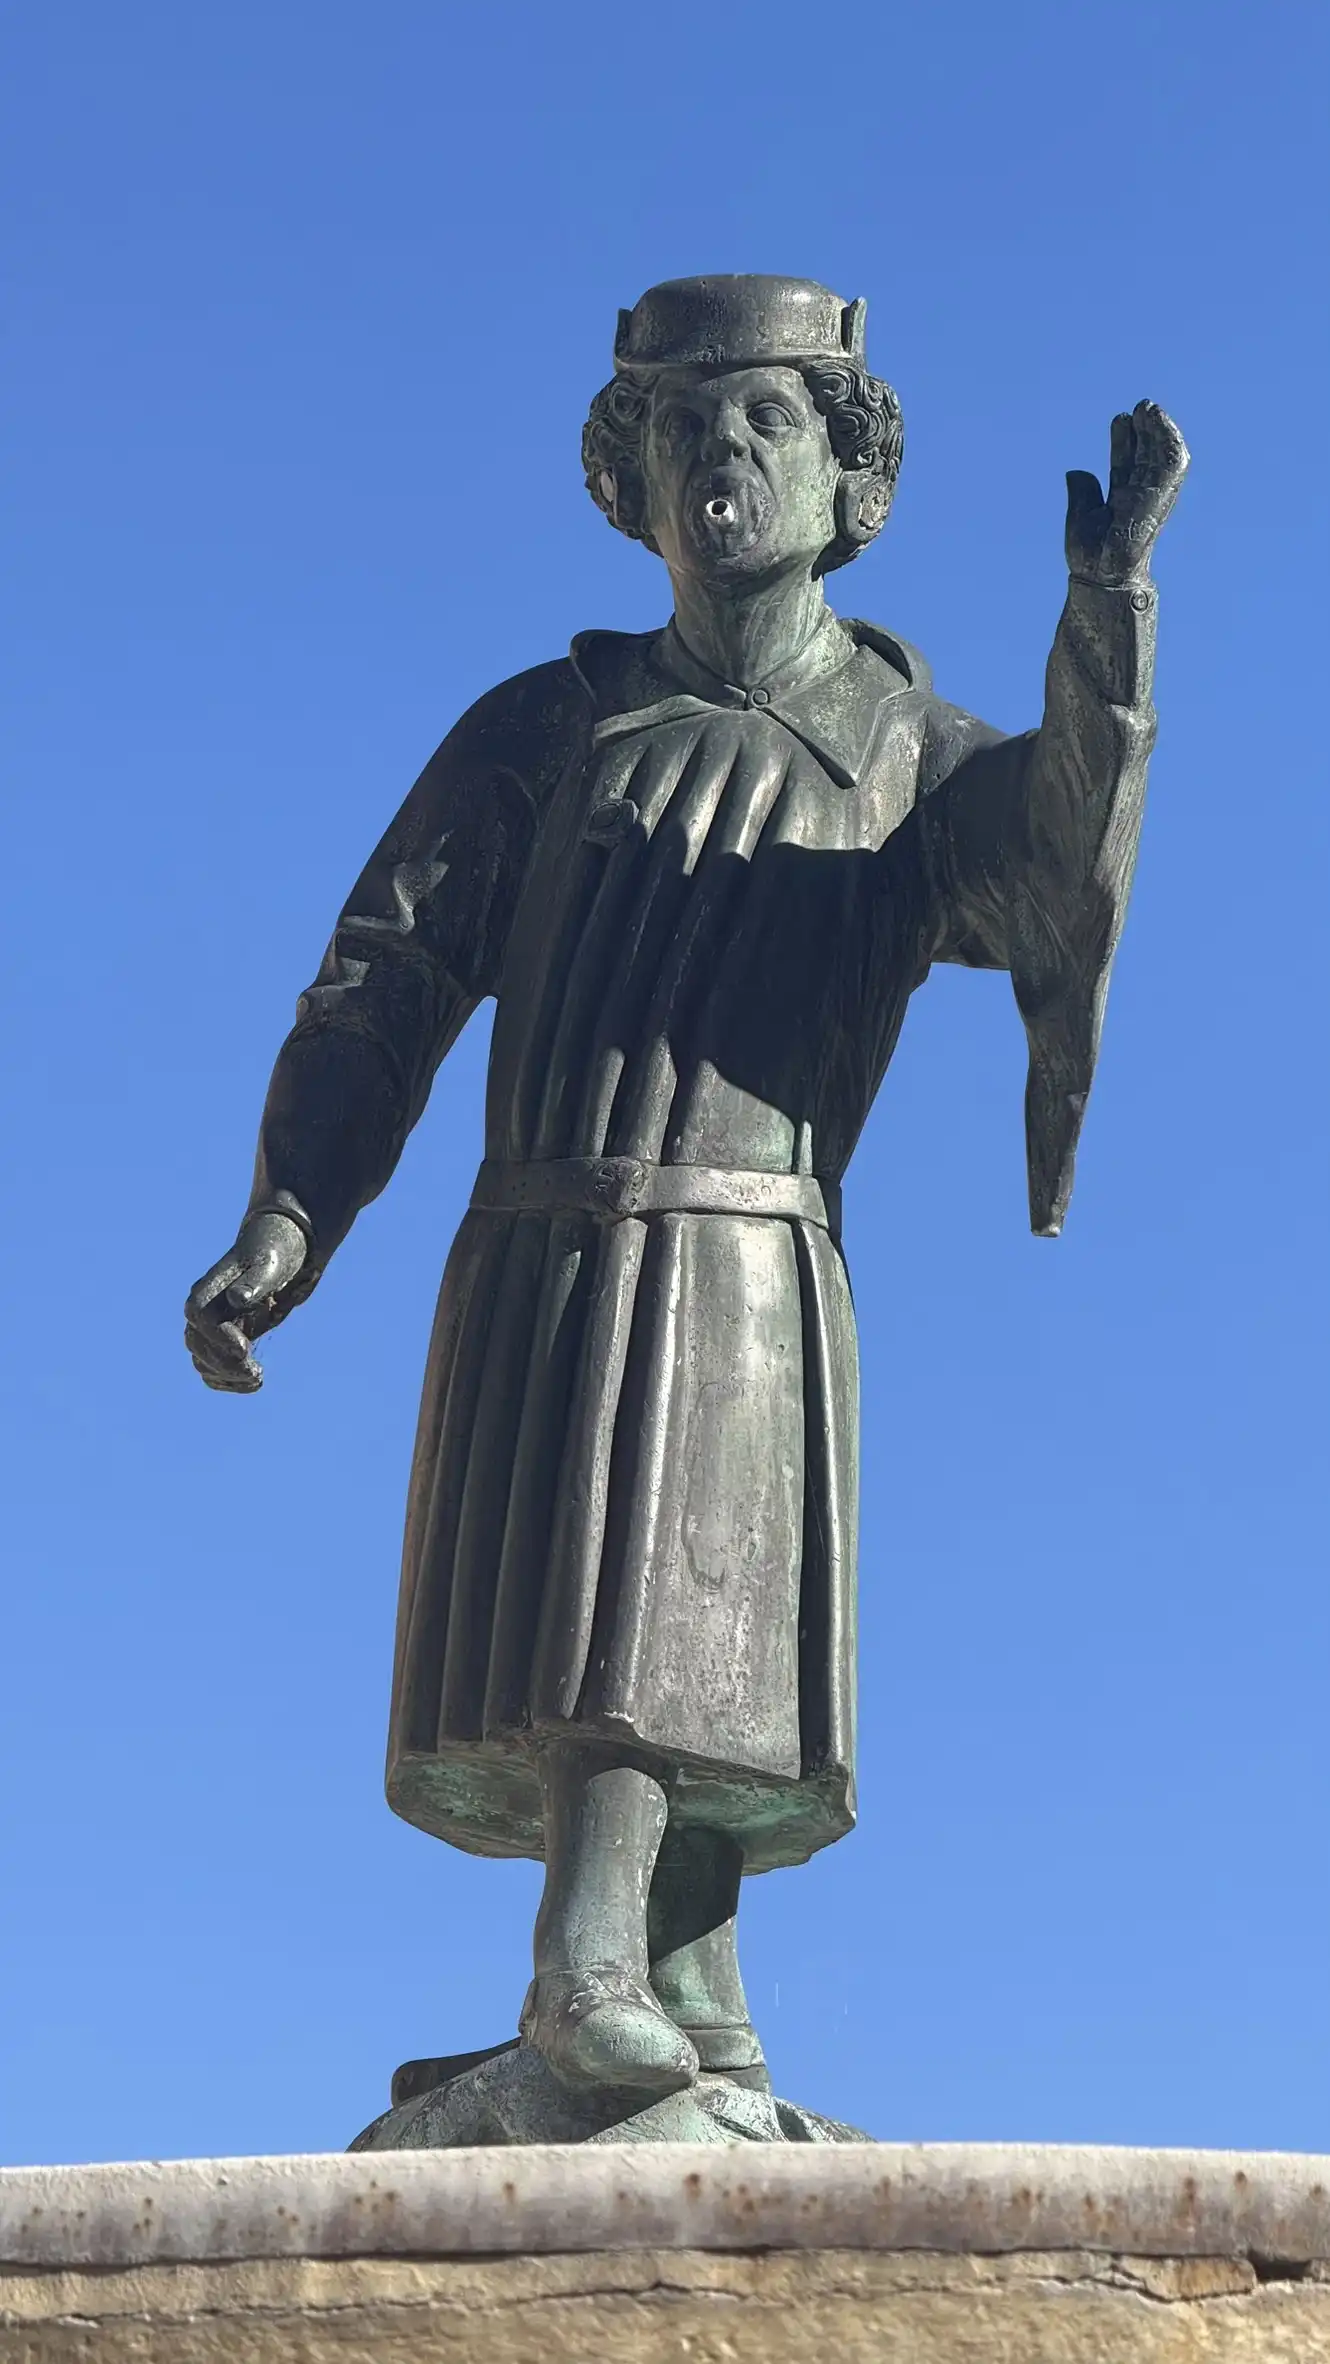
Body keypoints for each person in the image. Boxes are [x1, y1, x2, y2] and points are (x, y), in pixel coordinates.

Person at [186, 276, 1187, 2106]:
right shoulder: (542, 726)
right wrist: (293, 1214)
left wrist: (1104, 618)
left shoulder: (904, 751)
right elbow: (380, 982)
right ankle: (580, 1977)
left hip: (757, 1249)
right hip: (557, 1238)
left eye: (766, 423)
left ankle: (692, 1999)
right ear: (626, 481)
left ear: (848, 478)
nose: (720, 457)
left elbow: (1055, 872)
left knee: (714, 1608)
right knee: (607, 1605)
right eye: (680, 429)